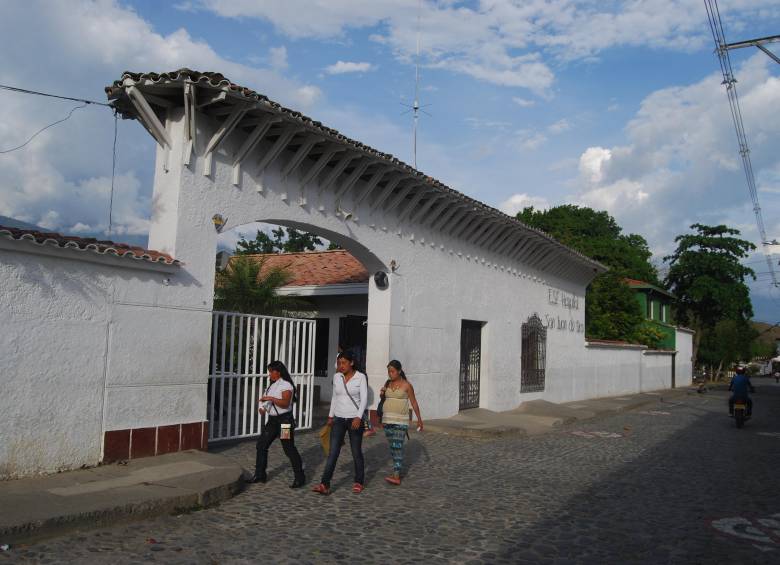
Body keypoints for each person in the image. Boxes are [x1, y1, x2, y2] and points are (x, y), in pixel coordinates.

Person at [313, 350, 368, 495]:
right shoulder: (337, 377)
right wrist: (330, 417)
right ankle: (325, 483)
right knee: (333, 453)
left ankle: (359, 481)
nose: (341, 366)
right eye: (339, 363)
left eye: (344, 363)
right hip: (338, 419)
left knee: (356, 452)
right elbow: (334, 397)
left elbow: (364, 399)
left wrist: (358, 417)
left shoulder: (360, 377)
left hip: (354, 420)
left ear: (352, 363)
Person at [251, 360, 305, 488]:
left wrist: (270, 399)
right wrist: (263, 408)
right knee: (261, 445)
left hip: (285, 421)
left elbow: (285, 403)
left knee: (288, 448)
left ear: (278, 372)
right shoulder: (272, 385)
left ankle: (300, 476)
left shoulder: (286, 385)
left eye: (271, 371)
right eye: (269, 371)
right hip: (273, 421)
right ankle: (260, 474)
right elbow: (265, 400)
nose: (269, 374)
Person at [379, 360, 423, 486]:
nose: (390, 374)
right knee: (393, 447)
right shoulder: (387, 383)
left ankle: (397, 475)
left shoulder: (407, 385)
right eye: (388, 371)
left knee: (397, 446)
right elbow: (383, 399)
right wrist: (382, 393)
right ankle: (395, 470)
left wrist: (419, 419)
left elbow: (414, 402)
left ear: (399, 371)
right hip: (387, 420)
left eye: (392, 371)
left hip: (400, 421)